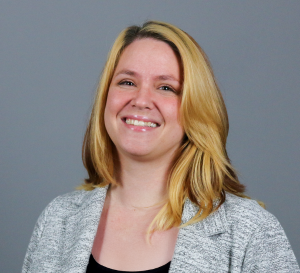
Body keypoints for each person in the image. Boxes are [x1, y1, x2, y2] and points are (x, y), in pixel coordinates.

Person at [22, 21, 299, 273]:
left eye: (166, 87)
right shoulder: (57, 220)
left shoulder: (250, 230)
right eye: (127, 82)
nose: (141, 100)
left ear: (196, 108)